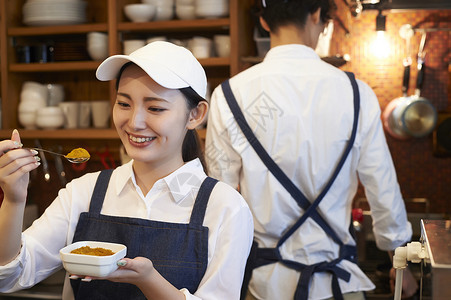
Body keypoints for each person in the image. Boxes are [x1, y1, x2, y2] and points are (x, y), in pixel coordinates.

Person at [0, 41, 254, 300]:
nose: (135, 122)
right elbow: (10, 276)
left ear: (195, 114)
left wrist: (149, 281)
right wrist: (14, 199)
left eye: (155, 108)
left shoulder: (226, 207)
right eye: (124, 103)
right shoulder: (84, 192)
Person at [205, 0, 417, 299]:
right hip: (338, 284)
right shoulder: (358, 94)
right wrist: (400, 261)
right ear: (318, 14)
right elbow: (382, 185)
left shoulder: (229, 95)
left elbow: (220, 198)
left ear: (264, 23)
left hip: (264, 286)